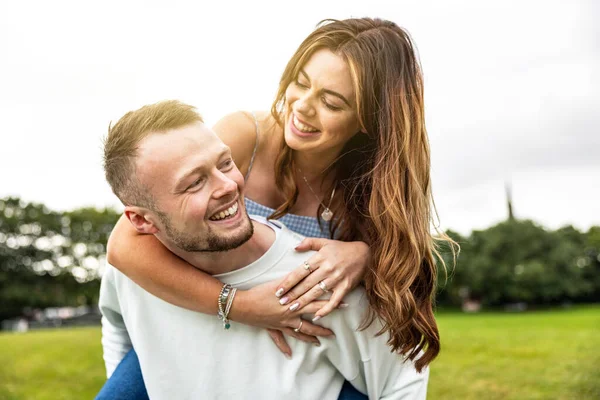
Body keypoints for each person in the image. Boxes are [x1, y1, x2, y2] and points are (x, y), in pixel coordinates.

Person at [98, 17, 456, 399]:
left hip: (303, 353)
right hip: (202, 324)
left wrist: (365, 254)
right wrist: (241, 306)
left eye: (331, 102)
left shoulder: (375, 190)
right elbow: (126, 245)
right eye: (301, 82)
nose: (301, 107)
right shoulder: (244, 136)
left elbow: (404, 274)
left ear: (371, 119)